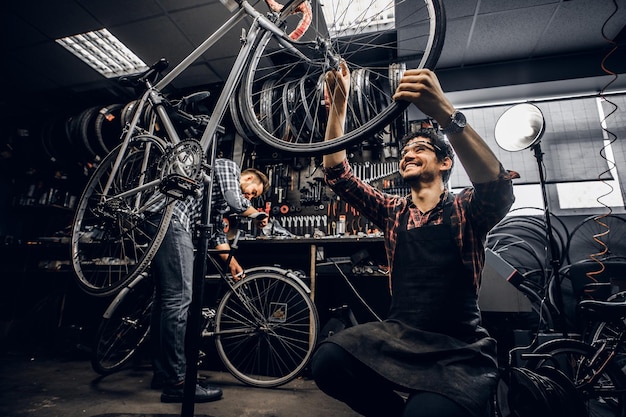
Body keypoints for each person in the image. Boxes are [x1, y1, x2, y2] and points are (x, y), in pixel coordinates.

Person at [310, 62, 518, 417]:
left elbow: (497, 188)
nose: (408, 153)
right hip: (400, 337)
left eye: (420, 149)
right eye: (406, 151)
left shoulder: (467, 208)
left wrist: (445, 113)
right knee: (327, 361)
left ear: (445, 164)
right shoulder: (393, 211)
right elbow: (337, 174)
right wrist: (340, 106)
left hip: (457, 348)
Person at [149, 158, 269, 403]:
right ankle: (178, 383)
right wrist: (256, 214)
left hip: (163, 220)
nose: (251, 197)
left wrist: (233, 264)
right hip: (173, 220)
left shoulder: (217, 201)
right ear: (248, 178)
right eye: (254, 192)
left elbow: (216, 234)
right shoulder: (227, 167)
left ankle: (164, 374)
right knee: (178, 300)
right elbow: (236, 200)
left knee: (165, 301)